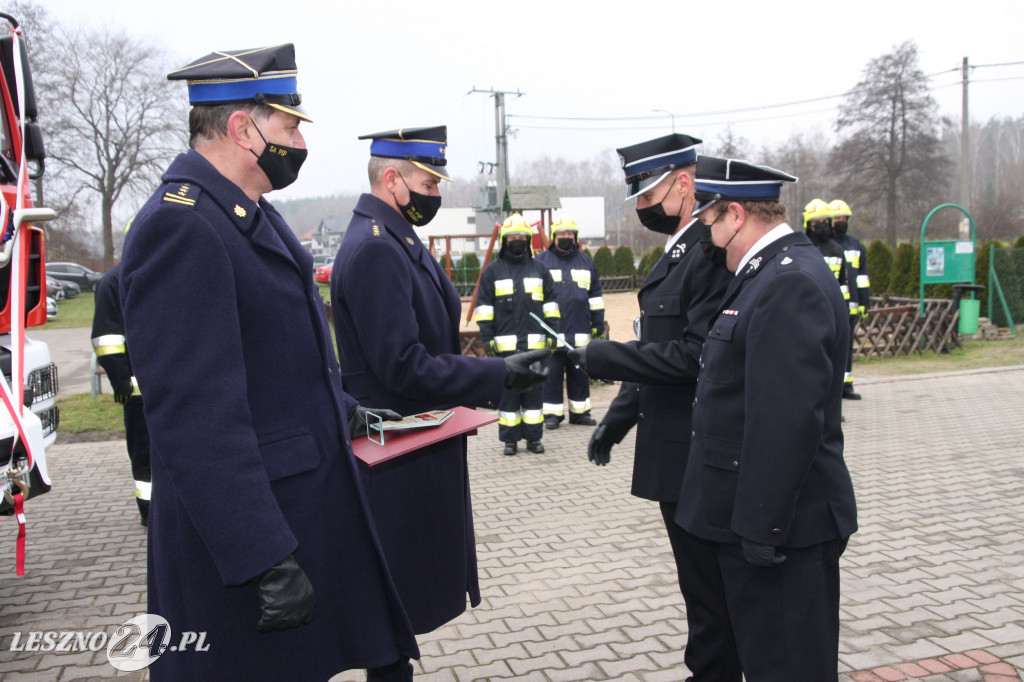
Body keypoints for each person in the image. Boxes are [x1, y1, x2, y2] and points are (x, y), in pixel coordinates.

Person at [119, 44, 418, 681]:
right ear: (242, 128)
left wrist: (345, 410)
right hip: (248, 546)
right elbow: (194, 415)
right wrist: (261, 557)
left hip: (301, 506)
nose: (300, 139)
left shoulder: (253, 216)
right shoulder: (183, 227)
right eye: (289, 125)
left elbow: (276, 361)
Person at [330, 125, 549, 639]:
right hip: (395, 451)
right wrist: (497, 372)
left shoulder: (395, 239)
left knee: (403, 605)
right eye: (428, 184)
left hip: (416, 444)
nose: (437, 194)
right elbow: (402, 364)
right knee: (394, 609)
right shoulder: (377, 248)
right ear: (392, 180)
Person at [675, 156, 858, 681]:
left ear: (735, 215)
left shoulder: (788, 282)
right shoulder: (764, 273)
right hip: (758, 524)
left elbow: (786, 420)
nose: (708, 238)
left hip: (783, 535)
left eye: (708, 223)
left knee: (788, 668)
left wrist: (764, 525)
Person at [568, 134, 740, 681]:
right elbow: (653, 350)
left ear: (684, 185)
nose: (641, 206)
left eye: (647, 193)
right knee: (699, 586)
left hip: (696, 450)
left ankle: (712, 673)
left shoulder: (709, 254)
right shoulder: (682, 252)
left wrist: (598, 354)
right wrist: (617, 422)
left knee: (711, 590)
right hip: (673, 448)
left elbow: (690, 356)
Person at [475, 213, 560, 456]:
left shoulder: (540, 270)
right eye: (511, 237)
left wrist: (553, 333)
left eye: (521, 236)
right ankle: (510, 440)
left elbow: (551, 304)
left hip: (534, 348)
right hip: (505, 351)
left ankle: (534, 439)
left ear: (528, 239)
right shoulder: (492, 271)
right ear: (504, 240)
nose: (516, 240)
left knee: (534, 397)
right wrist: (487, 338)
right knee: (508, 399)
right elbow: (484, 309)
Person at [91, 263, 150, 527]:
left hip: (170, 389)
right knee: (145, 457)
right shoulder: (114, 281)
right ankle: (150, 512)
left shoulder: (158, 271)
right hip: (138, 393)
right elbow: (106, 337)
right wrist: (120, 380)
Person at [535, 215, 603, 429]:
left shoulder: (586, 262)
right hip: (553, 333)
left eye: (569, 234)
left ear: (575, 237)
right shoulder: (542, 262)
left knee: (580, 375)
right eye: (562, 234)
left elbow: (595, 296)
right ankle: (552, 415)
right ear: (554, 237)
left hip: (580, 332)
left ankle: (581, 413)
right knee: (552, 376)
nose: (566, 237)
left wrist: (598, 324)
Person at [829, 199, 869, 400]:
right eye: (836, 218)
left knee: (847, 349)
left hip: (851, 306)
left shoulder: (855, 244)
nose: (840, 222)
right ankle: (833, 388)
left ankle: (847, 385)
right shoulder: (826, 244)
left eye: (843, 218)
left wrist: (864, 302)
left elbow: (862, 277)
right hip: (831, 306)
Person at [803, 198, 852, 307]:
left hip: (833, 306)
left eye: (825, 221)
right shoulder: (801, 247)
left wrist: (845, 308)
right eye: (817, 222)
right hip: (808, 306)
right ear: (808, 224)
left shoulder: (836, 249)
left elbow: (842, 283)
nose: (822, 225)